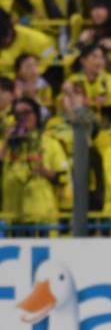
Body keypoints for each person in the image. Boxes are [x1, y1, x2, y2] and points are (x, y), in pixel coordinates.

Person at [0, 98, 69, 231]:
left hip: (42, 218)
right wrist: (7, 143)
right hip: (12, 219)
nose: (22, 118)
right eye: (18, 115)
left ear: (36, 116)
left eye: (27, 113)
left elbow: (64, 178)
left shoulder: (50, 143)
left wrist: (45, 172)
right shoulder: (5, 146)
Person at [0, 8, 56, 78]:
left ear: (12, 24)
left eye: (4, 38)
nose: (4, 44)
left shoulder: (41, 41)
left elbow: (51, 63)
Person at [66, 44, 111, 111]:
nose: (99, 61)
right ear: (83, 60)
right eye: (94, 57)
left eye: (101, 57)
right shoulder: (74, 79)